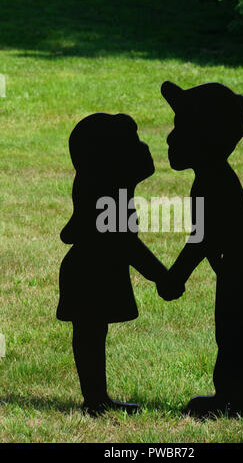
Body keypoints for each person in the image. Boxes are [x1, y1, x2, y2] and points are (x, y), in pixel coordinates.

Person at [57, 112, 184, 417]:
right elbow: (128, 245)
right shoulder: (109, 198)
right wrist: (163, 277)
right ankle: (95, 400)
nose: (143, 147)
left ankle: (97, 398)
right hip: (90, 273)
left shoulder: (112, 194)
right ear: (108, 162)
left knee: (92, 332)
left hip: (97, 269)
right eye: (133, 143)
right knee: (90, 332)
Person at [158, 81, 243, 419]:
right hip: (239, 265)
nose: (170, 138)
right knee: (232, 328)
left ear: (204, 137)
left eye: (180, 129)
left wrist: (175, 277)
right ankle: (233, 396)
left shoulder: (212, 181)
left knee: (233, 329)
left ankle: (237, 400)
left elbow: (202, 238)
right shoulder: (210, 176)